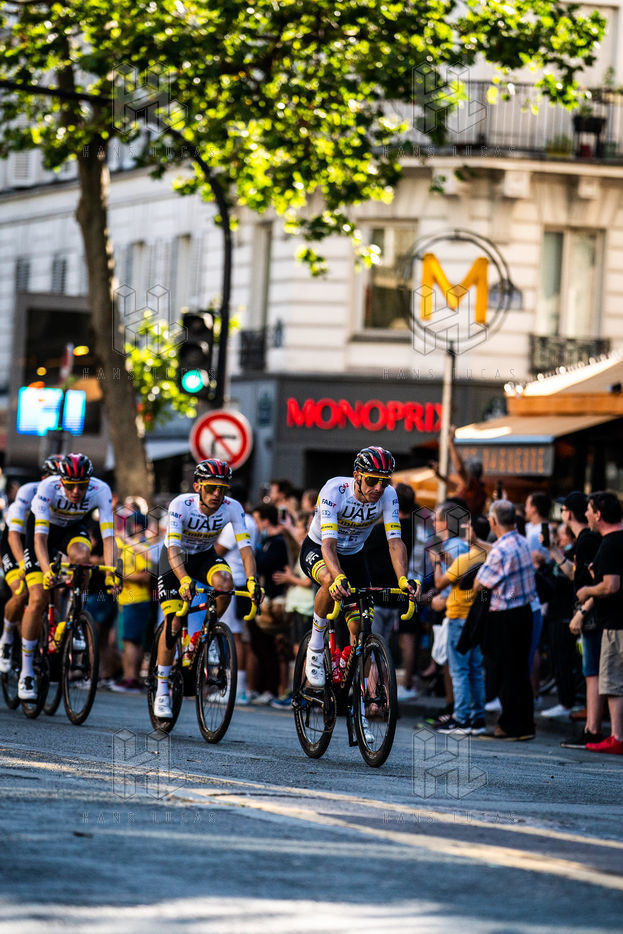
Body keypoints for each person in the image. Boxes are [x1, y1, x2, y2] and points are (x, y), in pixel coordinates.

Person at [299, 446, 420, 724]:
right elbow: (329, 545)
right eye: (372, 480)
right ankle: (315, 646)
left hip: (354, 556)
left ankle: (363, 703)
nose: (378, 488)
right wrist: (338, 575)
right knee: (329, 580)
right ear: (357, 475)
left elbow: (395, 542)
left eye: (384, 482)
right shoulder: (333, 491)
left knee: (362, 630)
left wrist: (403, 579)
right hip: (319, 549)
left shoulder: (388, 495)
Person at [154, 459, 262, 719]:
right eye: (211, 488)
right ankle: (162, 690)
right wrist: (183, 579)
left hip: (204, 557)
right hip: (174, 559)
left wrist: (252, 580)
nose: (216, 494)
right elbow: (173, 548)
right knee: (174, 622)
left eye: (221, 489)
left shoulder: (232, 507)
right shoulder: (181, 505)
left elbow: (246, 548)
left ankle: (206, 633)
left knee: (225, 584)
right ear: (197, 487)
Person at [18, 453, 118, 701]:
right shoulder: (47, 488)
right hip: (43, 532)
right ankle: (26, 672)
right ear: (61, 481)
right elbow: (40, 539)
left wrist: (112, 572)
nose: (76, 492)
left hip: (72, 529)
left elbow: (108, 537)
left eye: (81, 486)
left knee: (83, 558)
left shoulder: (100, 489)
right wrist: (47, 571)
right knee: (38, 598)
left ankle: (76, 615)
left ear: (89, 482)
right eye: (71, 486)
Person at [474, 499, 537, 740]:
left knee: (504, 672)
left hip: (504, 616)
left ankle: (509, 726)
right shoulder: (521, 541)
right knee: (520, 670)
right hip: (524, 612)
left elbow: (480, 583)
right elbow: (499, 552)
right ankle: (525, 725)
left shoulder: (501, 550)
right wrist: (477, 542)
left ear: (493, 521)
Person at [0, 455, 64, 675]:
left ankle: (48, 640)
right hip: (15, 544)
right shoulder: (28, 491)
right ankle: (7, 636)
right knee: (22, 592)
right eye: (55, 478)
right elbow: (13, 536)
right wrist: (23, 565)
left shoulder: (66, 497)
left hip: (41, 544)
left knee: (53, 590)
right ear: (44, 478)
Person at [551, 492, 603, 748]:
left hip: (592, 614)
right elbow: (575, 575)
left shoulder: (588, 540)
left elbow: (599, 581)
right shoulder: (584, 540)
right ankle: (590, 727)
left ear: (568, 513)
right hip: (587, 612)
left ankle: (592, 729)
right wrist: (552, 550)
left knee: (592, 671)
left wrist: (583, 612)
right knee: (590, 669)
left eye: (562, 510)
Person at [575, 491, 623, 755]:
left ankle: (617, 737)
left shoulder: (610, 543)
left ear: (599, 515)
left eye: (589, 510)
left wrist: (587, 591)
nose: (586, 515)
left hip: (616, 624)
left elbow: (611, 586)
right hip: (615, 622)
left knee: (613, 681)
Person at [431, 515, 489, 734]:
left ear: (474, 532)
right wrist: (449, 563)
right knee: (474, 670)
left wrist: (437, 563)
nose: (464, 528)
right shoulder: (486, 555)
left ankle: (461, 718)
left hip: (458, 617)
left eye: (468, 526)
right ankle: (478, 718)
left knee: (459, 671)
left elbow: (439, 583)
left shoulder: (465, 558)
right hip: (476, 618)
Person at [365, 482, 419, 701]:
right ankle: (385, 696)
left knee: (373, 650)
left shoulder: (383, 530)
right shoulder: (413, 527)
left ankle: (374, 697)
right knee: (383, 648)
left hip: (376, 595)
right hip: (396, 595)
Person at [214, 482, 259, 705]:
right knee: (240, 636)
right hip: (242, 581)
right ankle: (240, 687)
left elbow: (217, 551)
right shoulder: (252, 522)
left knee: (235, 636)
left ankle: (236, 689)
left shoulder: (237, 523)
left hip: (232, 582)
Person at [110, 512, 154, 693]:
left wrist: (123, 576)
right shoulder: (129, 546)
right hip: (128, 600)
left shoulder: (143, 548)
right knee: (129, 640)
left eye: (131, 524)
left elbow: (145, 576)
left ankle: (131, 679)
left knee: (131, 641)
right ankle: (129, 677)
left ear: (137, 526)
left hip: (137, 600)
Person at [430, 426, 486, 518]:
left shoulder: (472, 486)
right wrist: (439, 475)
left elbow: (459, 469)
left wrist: (451, 443)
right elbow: (453, 485)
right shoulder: (476, 489)